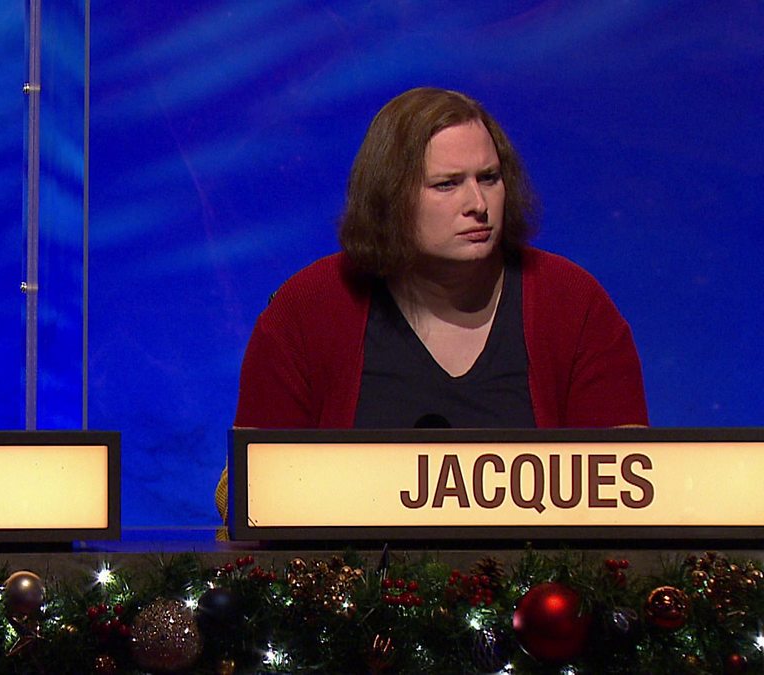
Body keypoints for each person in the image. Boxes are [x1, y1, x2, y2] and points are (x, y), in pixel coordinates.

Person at [216, 87, 647, 529]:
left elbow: (634, 496)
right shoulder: (309, 308)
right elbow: (246, 495)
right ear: (390, 197)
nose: (478, 205)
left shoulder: (573, 303)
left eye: (489, 178)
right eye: (447, 184)